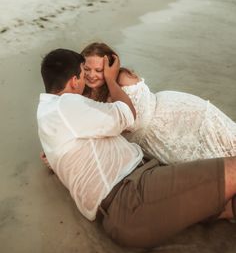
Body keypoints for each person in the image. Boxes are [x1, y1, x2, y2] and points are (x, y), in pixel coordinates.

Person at [37, 47, 236, 249]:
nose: (88, 77)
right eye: (83, 72)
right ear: (73, 81)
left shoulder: (47, 117)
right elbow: (126, 114)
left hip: (127, 210)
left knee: (225, 204)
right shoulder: (67, 104)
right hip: (133, 195)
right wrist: (112, 80)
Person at [81, 42, 236, 164]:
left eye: (99, 70)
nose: (91, 75)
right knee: (214, 166)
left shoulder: (122, 78)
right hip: (156, 141)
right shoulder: (87, 92)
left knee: (228, 145)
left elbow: (134, 122)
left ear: (110, 68)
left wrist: (110, 79)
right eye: (87, 69)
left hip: (178, 117)